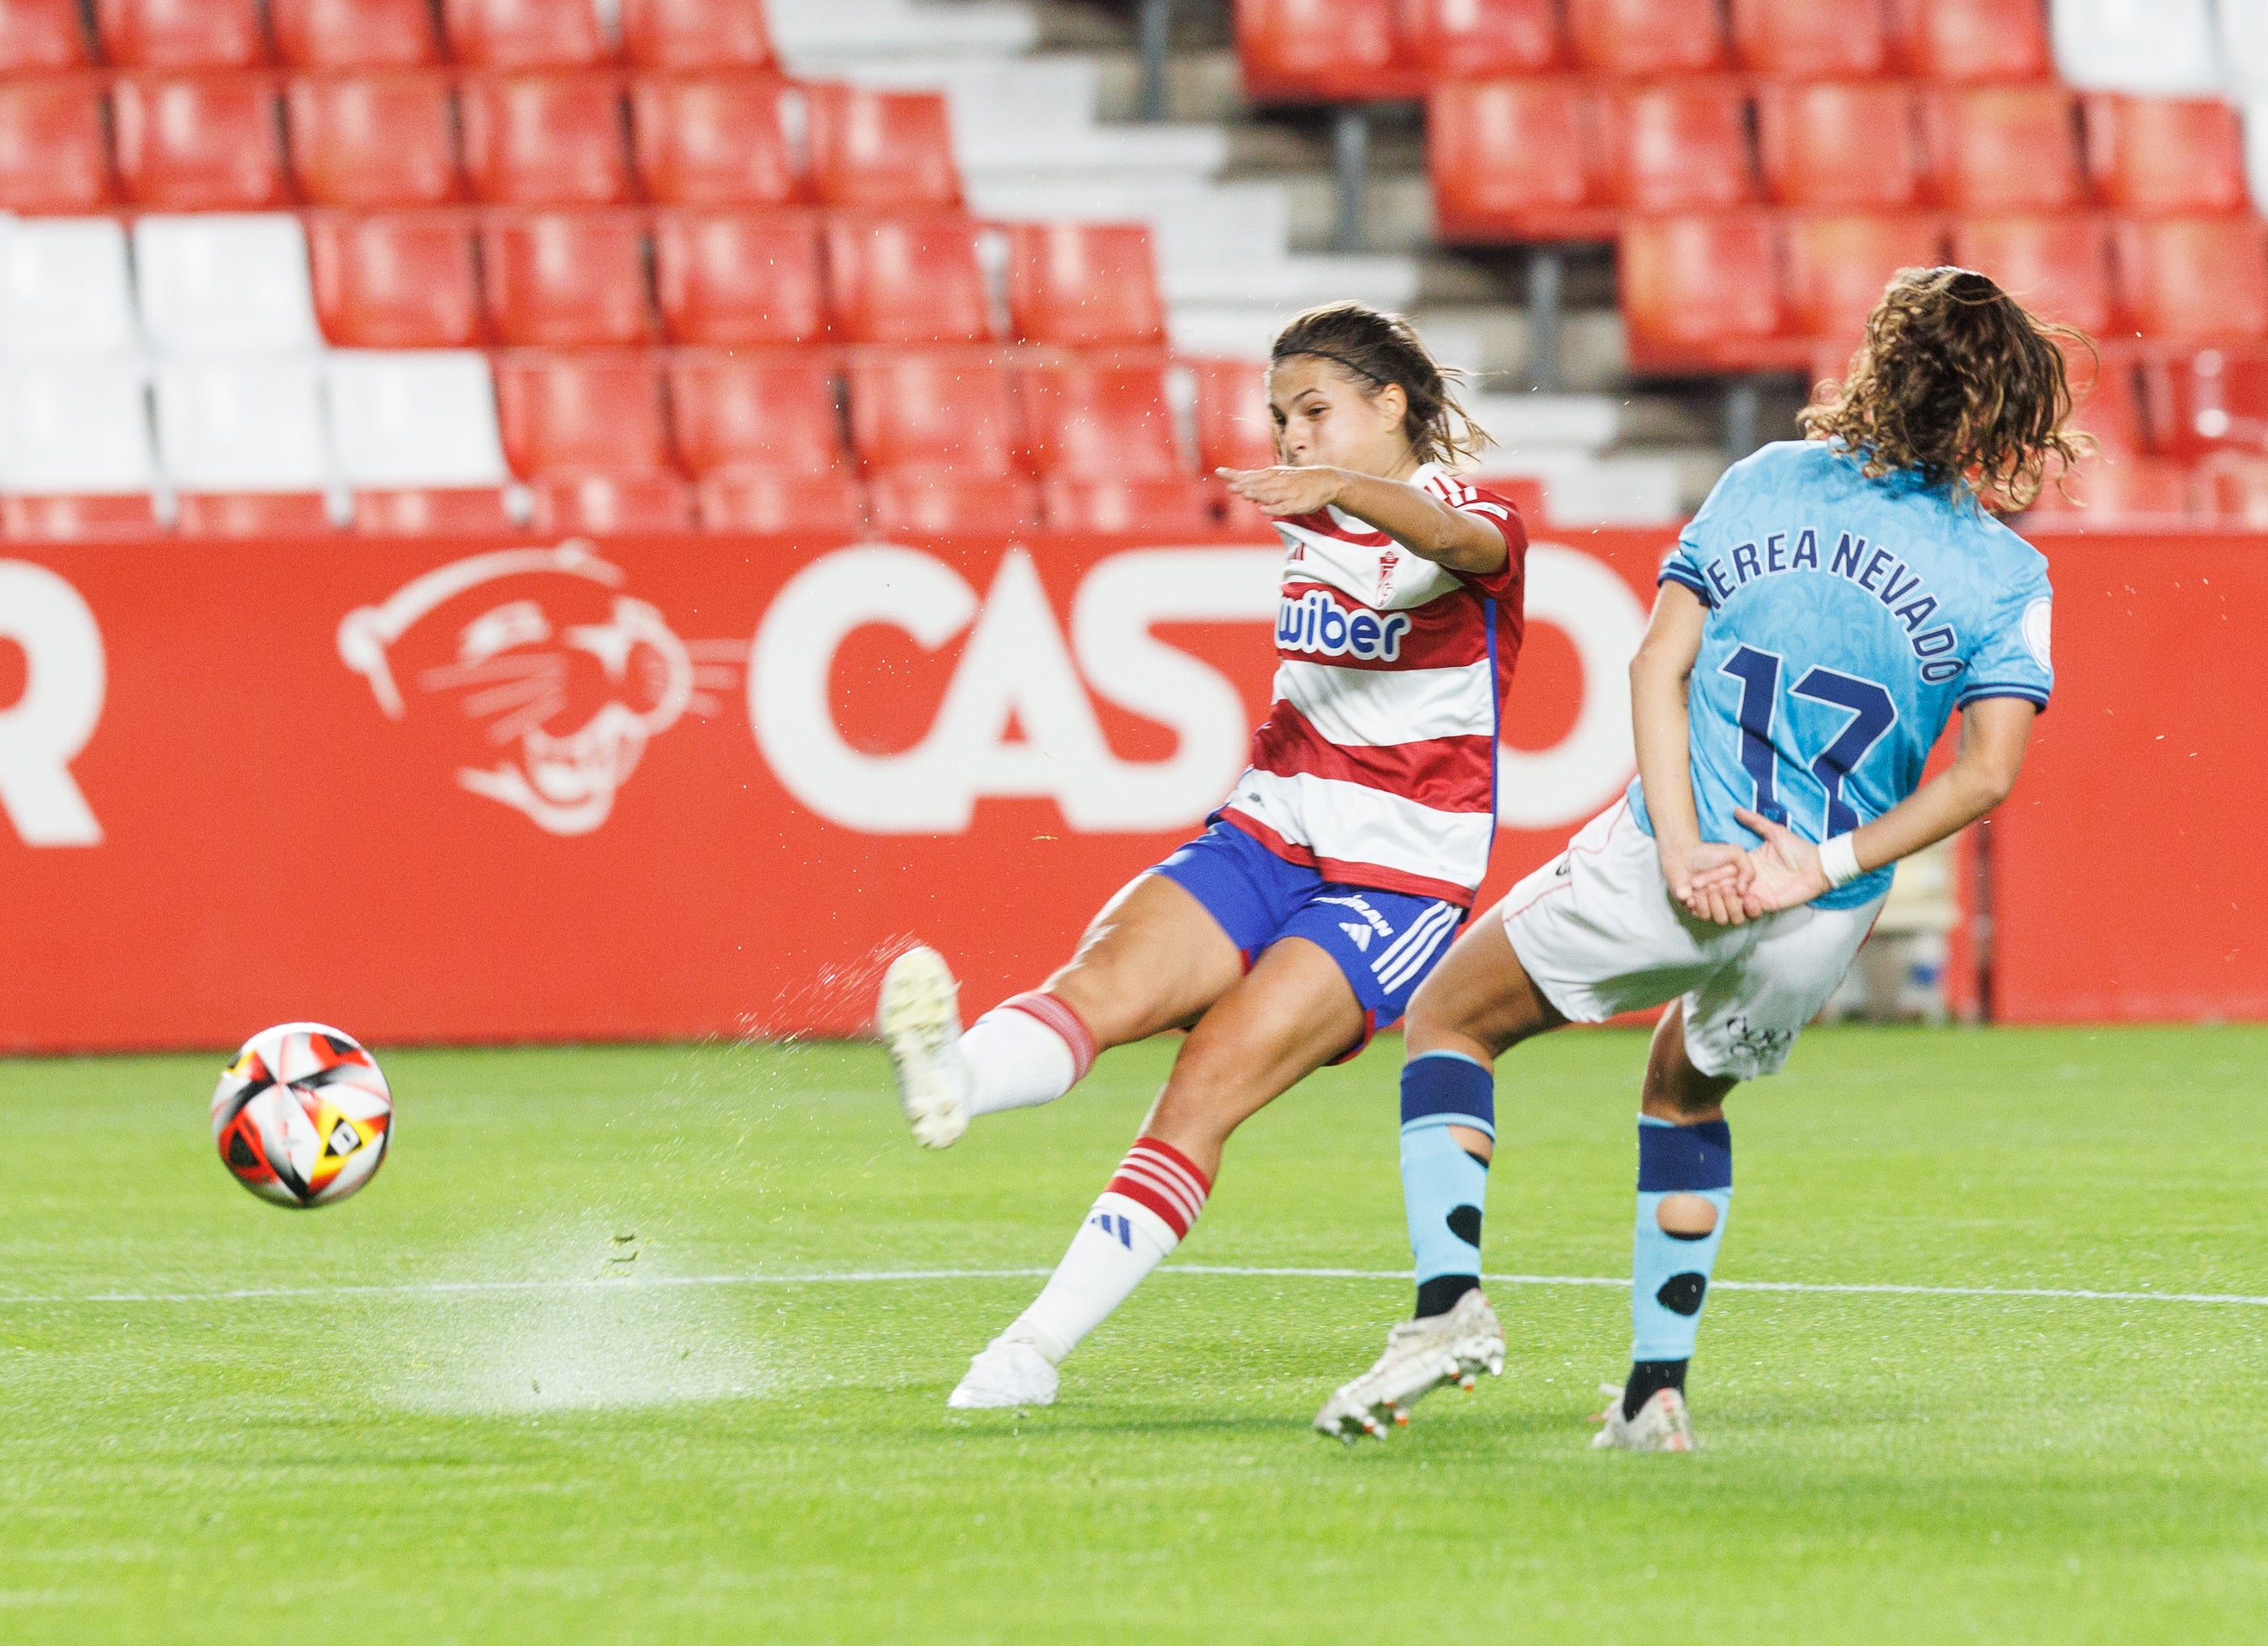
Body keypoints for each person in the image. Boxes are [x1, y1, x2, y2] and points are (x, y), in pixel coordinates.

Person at [1314, 267, 2073, 1451]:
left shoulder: (1767, 482)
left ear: (1882, 366)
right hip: (1818, 914)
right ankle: (1654, 1394)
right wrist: (1814, 870)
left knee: (1452, 1021)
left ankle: (1443, 1308)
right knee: (1684, 1088)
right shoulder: (2009, 580)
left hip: (1683, 860)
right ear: (2000, 412)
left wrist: (1679, 846)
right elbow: (1985, 776)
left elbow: (1654, 668)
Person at [877, 302, 1531, 1409]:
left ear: (1392, 406)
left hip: (1395, 878)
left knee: (1206, 1083)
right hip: (1267, 830)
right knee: (1102, 985)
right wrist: (1327, 494)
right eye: (1281, 419)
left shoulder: (1472, 514)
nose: (1292, 439)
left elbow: (1460, 550)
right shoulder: (1307, 514)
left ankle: (1027, 1352)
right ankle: (957, 1077)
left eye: (1315, 411)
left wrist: (1347, 491)